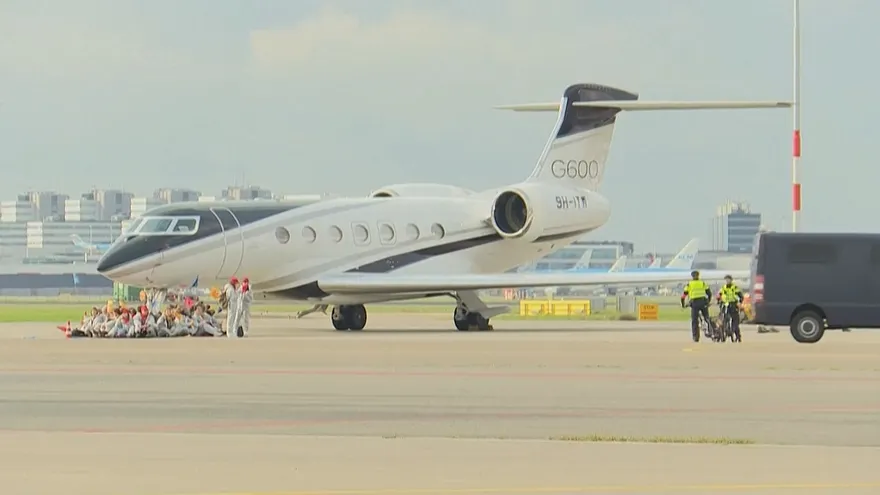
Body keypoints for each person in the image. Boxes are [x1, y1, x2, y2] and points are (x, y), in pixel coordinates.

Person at [681, 270, 714, 342]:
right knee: (707, 318)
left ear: (692, 276)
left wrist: (683, 304)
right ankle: (712, 331)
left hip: (695, 303)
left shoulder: (689, 284)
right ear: (698, 276)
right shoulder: (702, 283)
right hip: (703, 302)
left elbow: (683, 296)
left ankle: (695, 336)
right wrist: (708, 301)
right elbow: (709, 293)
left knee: (694, 321)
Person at [716, 275, 744, 342]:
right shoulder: (723, 287)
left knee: (735, 320)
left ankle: (738, 336)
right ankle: (723, 332)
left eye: (729, 280)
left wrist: (739, 302)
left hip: (733, 304)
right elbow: (719, 295)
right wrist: (718, 301)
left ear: (731, 280)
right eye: (726, 280)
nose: (727, 281)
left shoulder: (735, 287)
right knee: (723, 318)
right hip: (725, 304)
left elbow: (741, 296)